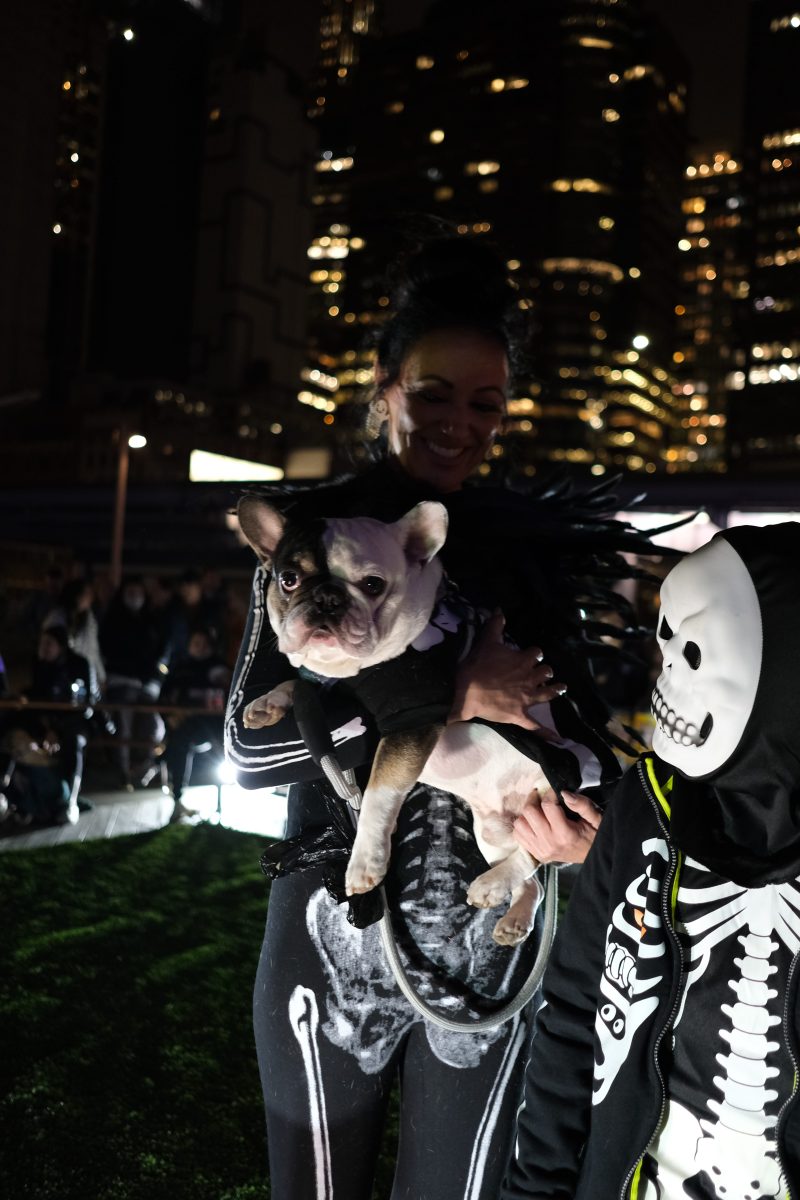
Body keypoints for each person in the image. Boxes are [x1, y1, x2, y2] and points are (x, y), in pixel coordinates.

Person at [226, 238, 651, 1200]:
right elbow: (250, 756)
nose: (460, 423)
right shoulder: (311, 540)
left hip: (486, 955)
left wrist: (580, 828)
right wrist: (453, 695)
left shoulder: (532, 560)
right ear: (384, 389)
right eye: (435, 393)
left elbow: (582, 749)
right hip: (327, 934)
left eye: (486, 402)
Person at [500, 524, 800, 1200]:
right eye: (665, 642)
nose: (663, 675)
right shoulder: (647, 804)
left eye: (693, 650)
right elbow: (575, 1014)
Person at [0, 626, 91, 826]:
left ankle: (71, 801)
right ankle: (11, 790)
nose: (44, 648)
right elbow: (36, 696)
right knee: (13, 731)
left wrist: (55, 730)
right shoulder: (40, 663)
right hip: (44, 721)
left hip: (71, 723)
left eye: (49, 644)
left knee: (75, 743)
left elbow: (82, 704)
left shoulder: (78, 664)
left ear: (61, 646)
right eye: (42, 643)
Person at [100, 577, 166, 788]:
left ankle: (144, 767)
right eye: (131, 592)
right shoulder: (112, 618)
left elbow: (159, 650)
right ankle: (122, 771)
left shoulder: (151, 619)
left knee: (153, 726)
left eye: (139, 592)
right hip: (120, 679)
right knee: (123, 728)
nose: (135, 597)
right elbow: (108, 649)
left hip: (145, 682)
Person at [162, 627, 231, 822]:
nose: (198, 647)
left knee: (221, 756)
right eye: (195, 643)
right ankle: (178, 800)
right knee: (177, 743)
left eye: (203, 643)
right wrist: (169, 716)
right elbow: (165, 697)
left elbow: (226, 688)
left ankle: (220, 805)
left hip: (214, 725)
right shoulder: (180, 668)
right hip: (184, 725)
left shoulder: (218, 667)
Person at [43, 578, 106, 700]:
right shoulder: (57, 618)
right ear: (77, 595)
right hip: (64, 673)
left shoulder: (89, 620)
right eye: (87, 593)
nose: (90, 597)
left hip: (87, 671)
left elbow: (93, 650)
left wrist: (101, 676)